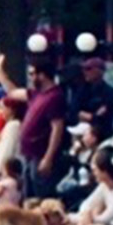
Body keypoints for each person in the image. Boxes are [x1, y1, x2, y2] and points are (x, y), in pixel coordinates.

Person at [16, 56, 68, 198]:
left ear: (42, 75)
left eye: (33, 74)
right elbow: (13, 93)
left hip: (41, 153)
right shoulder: (37, 94)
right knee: (29, 194)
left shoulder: (55, 96)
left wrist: (48, 157)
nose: (31, 78)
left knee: (42, 193)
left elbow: (57, 128)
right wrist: (0, 73)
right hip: (29, 153)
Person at [67, 55, 113, 138]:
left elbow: (100, 117)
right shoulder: (81, 89)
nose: (84, 72)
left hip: (101, 134)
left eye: (88, 69)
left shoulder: (110, 92)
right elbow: (72, 111)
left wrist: (87, 115)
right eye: (83, 69)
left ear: (100, 71)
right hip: (79, 130)